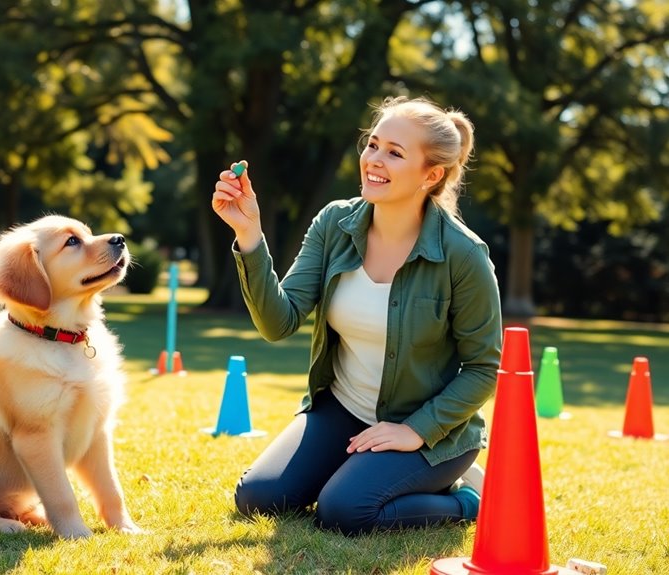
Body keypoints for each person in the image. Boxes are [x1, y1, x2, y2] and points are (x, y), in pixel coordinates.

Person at [211, 96, 501, 535]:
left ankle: (465, 499)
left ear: (432, 175)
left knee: (344, 511)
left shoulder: (463, 255)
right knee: (259, 499)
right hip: (342, 411)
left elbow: (483, 367)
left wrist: (416, 431)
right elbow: (279, 322)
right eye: (373, 145)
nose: (374, 160)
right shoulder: (335, 224)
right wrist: (249, 234)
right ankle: (356, 473)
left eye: (395, 153)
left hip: (429, 434)